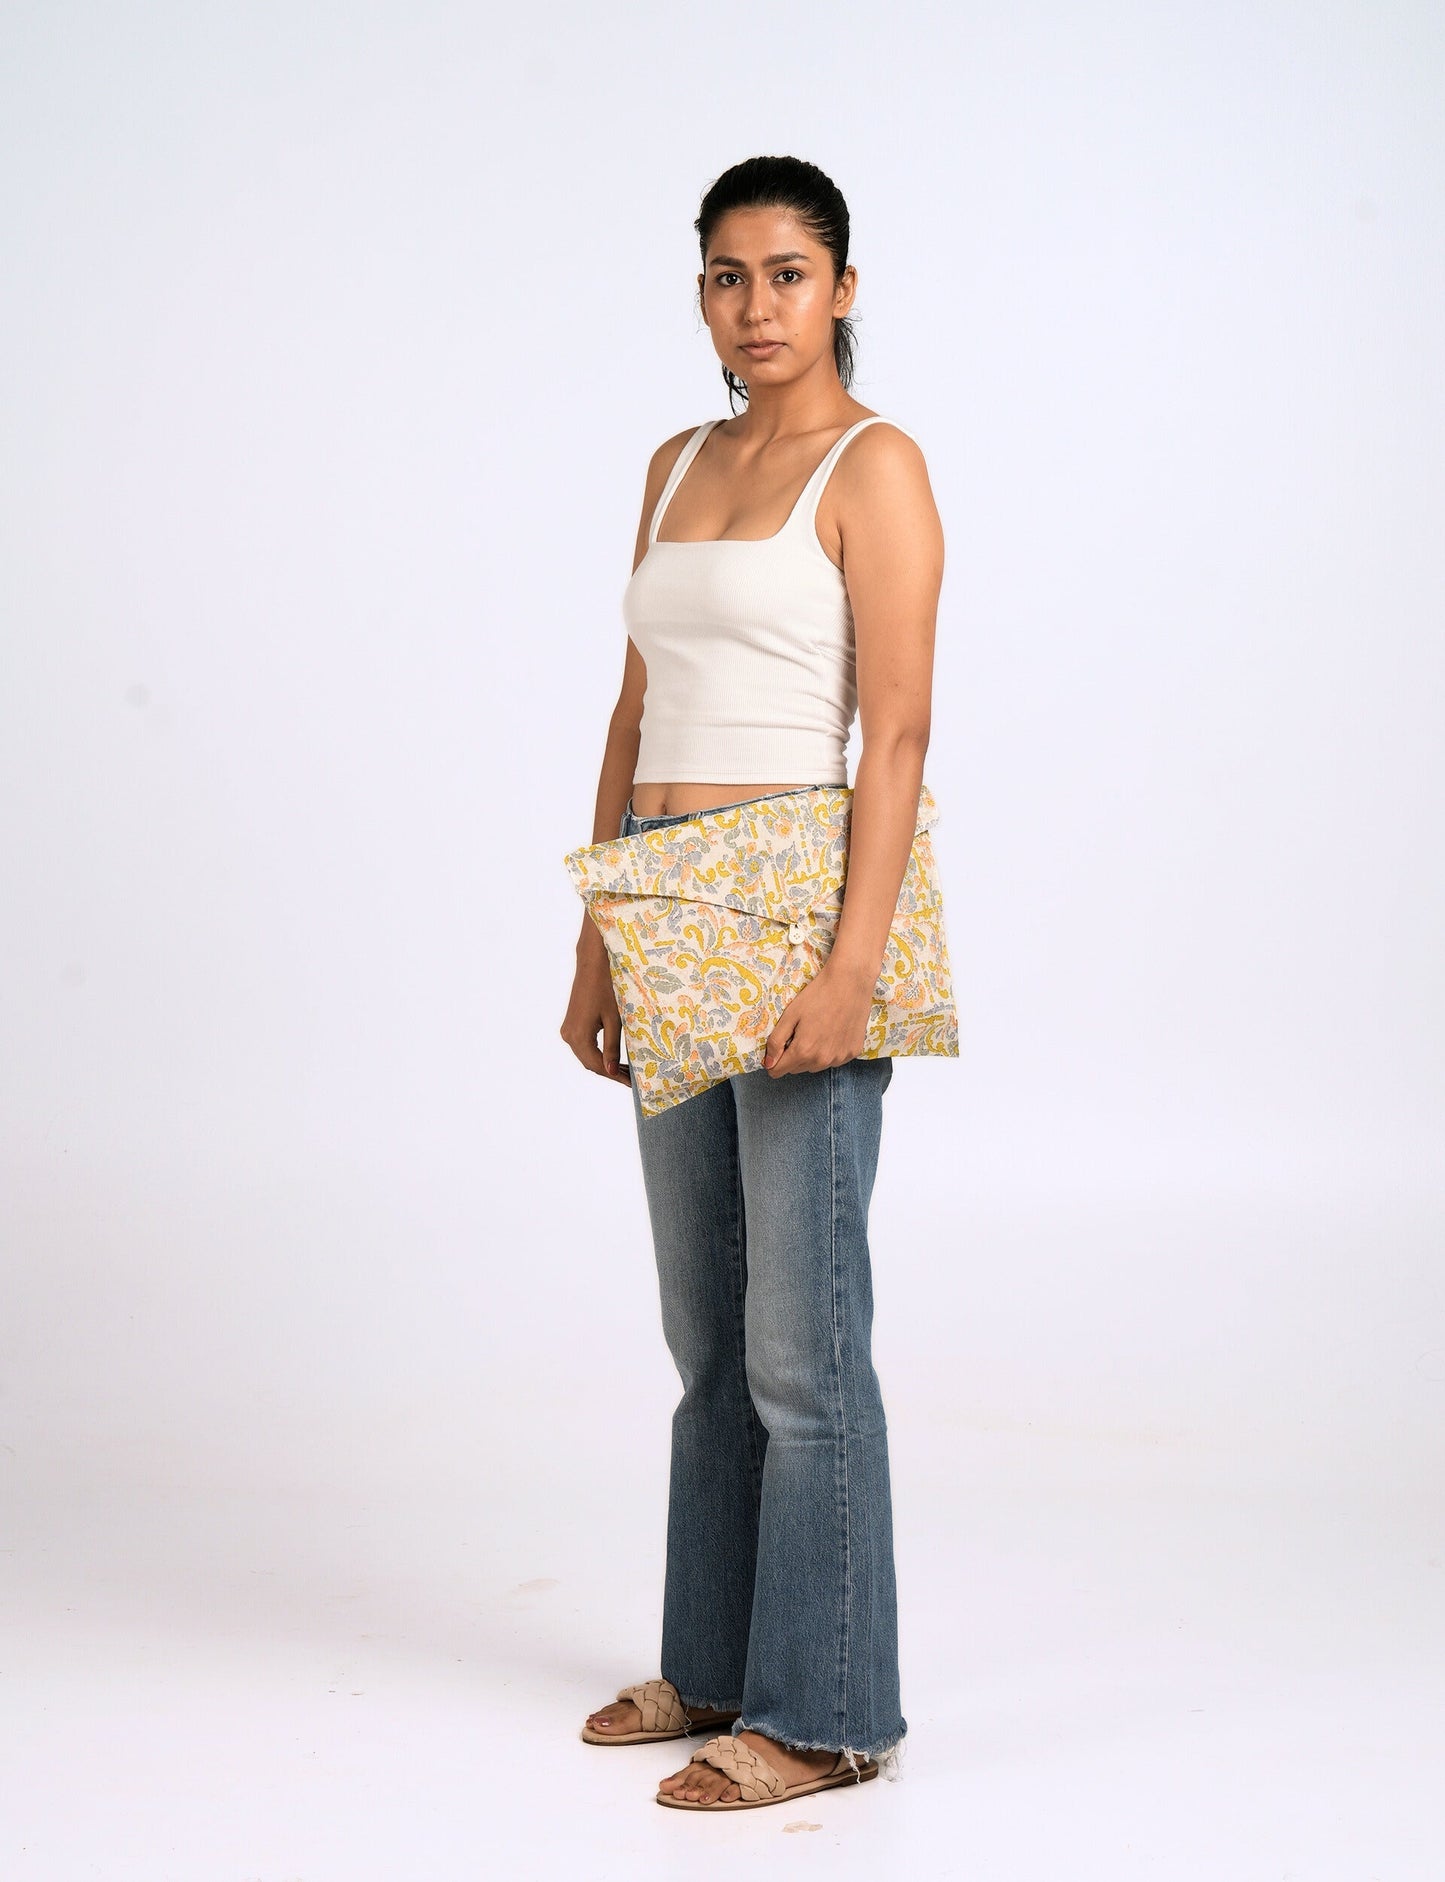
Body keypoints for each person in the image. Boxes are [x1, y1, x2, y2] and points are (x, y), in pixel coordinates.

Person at [559, 153, 944, 1811]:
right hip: (665, 892)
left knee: (802, 1343)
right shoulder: (673, 463)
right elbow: (633, 709)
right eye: (727, 276)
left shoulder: (875, 466)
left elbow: (896, 735)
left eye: (786, 273)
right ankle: (712, 1664)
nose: (755, 305)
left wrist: (852, 965)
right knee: (707, 1334)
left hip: (796, 901)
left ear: (841, 288)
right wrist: (598, 932)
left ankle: (827, 1709)